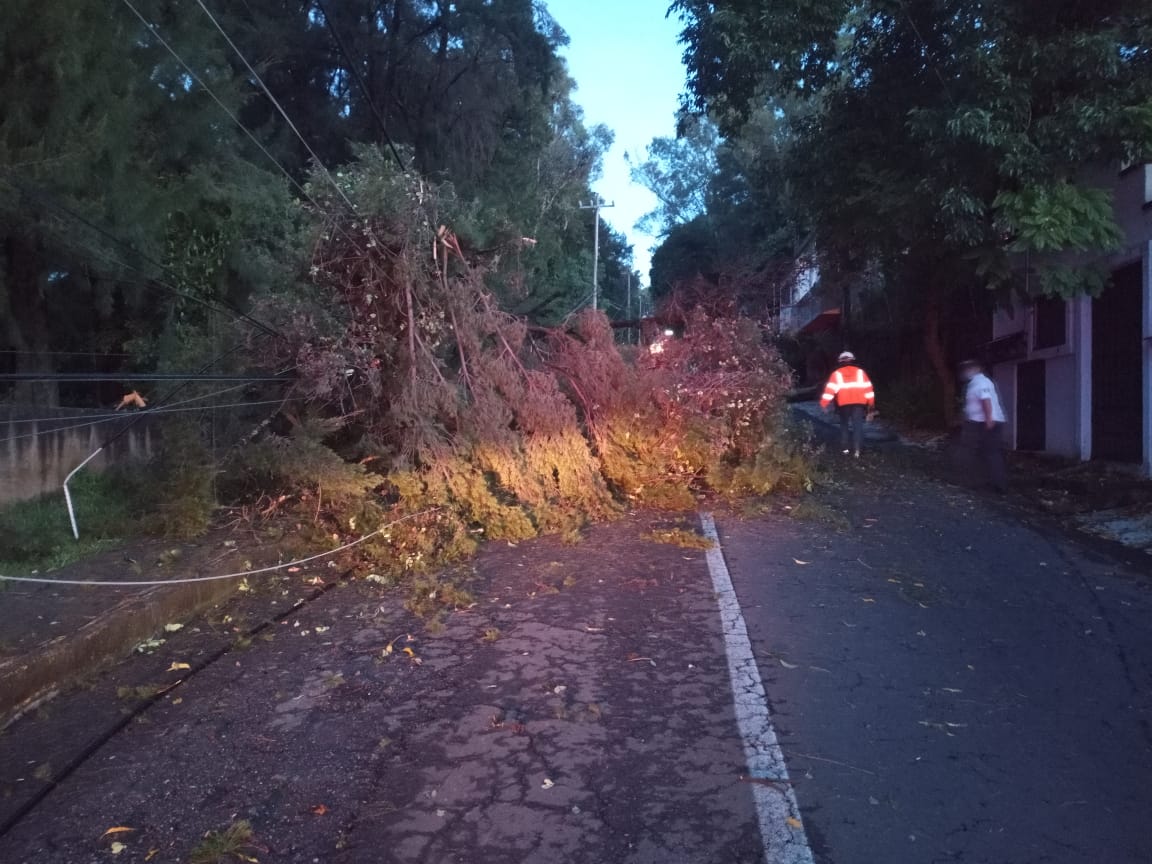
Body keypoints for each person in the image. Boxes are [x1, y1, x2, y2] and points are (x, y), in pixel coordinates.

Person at [959, 359, 1008, 492]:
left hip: (984, 423)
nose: (965, 372)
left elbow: (986, 400)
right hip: (980, 422)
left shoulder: (981, 382)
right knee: (984, 452)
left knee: (990, 453)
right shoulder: (975, 383)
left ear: (975, 369)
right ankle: (988, 482)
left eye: (967, 369)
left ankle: (997, 485)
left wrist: (989, 419)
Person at [820, 351, 876, 457]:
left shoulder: (836, 374)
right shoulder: (861, 373)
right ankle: (857, 451)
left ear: (840, 361)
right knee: (858, 426)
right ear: (853, 360)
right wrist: (871, 405)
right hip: (858, 404)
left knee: (844, 426)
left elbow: (830, 391)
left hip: (843, 404)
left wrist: (824, 404)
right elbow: (869, 390)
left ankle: (845, 450)